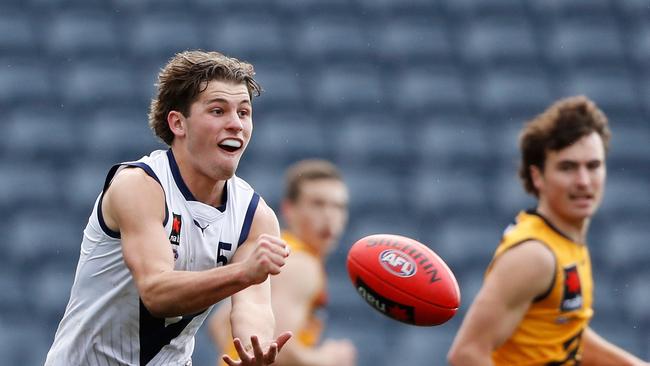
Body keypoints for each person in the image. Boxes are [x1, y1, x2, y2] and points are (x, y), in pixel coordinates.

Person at [45, 50, 293, 366]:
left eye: (244, 113)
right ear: (178, 123)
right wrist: (243, 272)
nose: (235, 124)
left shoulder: (255, 217)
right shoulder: (139, 186)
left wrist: (251, 350)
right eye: (218, 111)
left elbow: (253, 307)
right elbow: (157, 292)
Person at [448, 96, 649, 365]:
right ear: (537, 177)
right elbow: (467, 354)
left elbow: (564, 333)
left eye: (593, 166)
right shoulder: (535, 256)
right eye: (567, 167)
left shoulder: (562, 242)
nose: (583, 181)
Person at [210, 159, 357, 366]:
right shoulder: (302, 265)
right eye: (318, 204)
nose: (329, 216)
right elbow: (277, 350)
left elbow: (218, 324)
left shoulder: (272, 252)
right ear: (289, 209)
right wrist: (328, 360)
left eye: (338, 206)